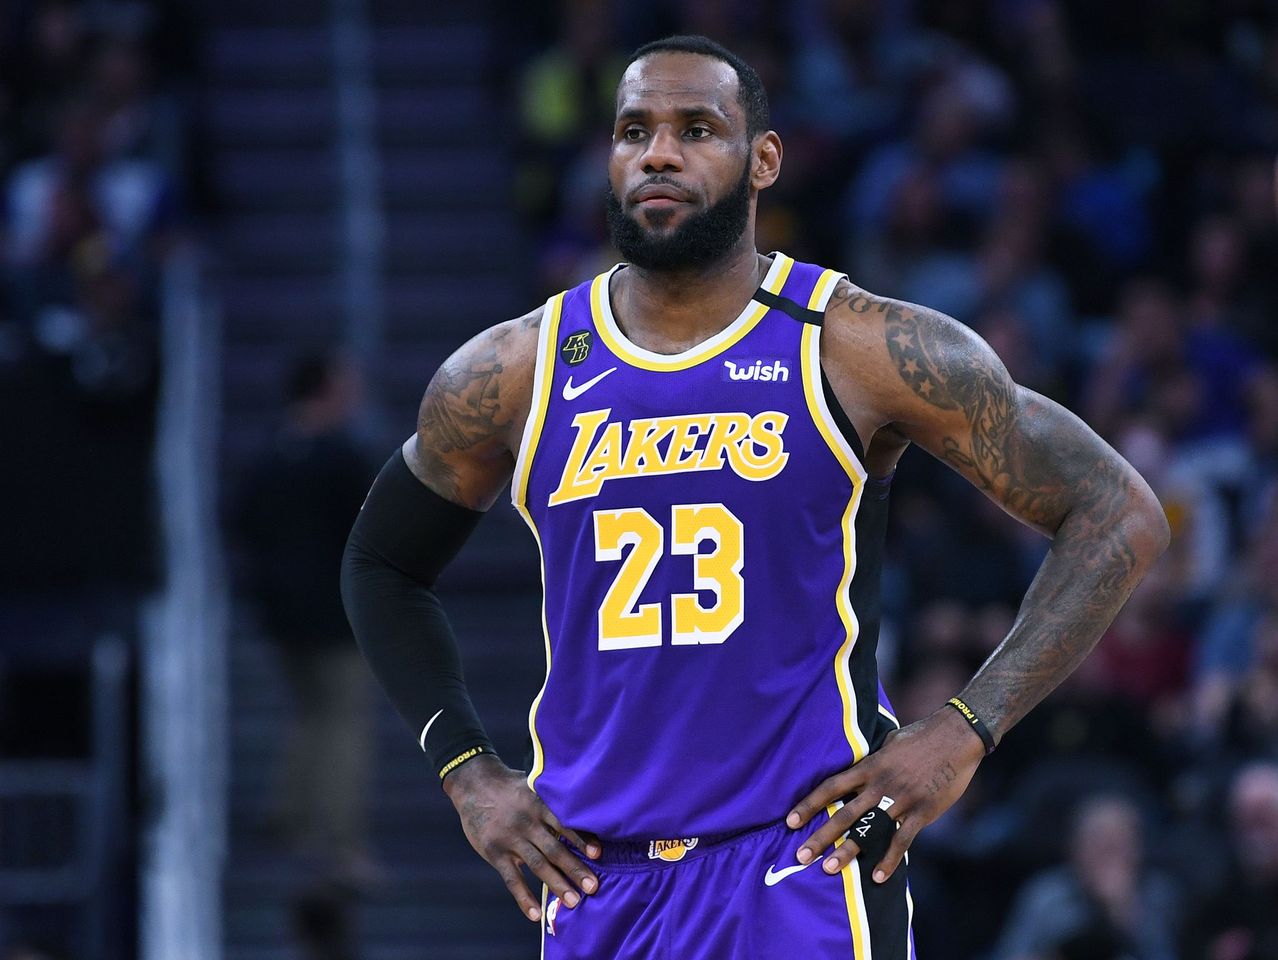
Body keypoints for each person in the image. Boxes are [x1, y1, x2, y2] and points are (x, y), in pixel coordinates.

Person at [341, 35, 1168, 958]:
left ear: (763, 159)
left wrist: (965, 730)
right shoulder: (514, 369)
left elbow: (1115, 512)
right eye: (633, 131)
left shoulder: (855, 347)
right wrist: (466, 771)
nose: (659, 153)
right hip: (596, 882)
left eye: (698, 129)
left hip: (797, 869)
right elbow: (380, 564)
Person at [236, 350, 378, 889]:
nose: (353, 395)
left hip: (282, 616)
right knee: (342, 723)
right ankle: (340, 846)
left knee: (310, 712)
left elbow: (242, 524)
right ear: (323, 389)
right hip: (335, 614)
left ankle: (289, 814)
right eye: (345, 385)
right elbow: (373, 531)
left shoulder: (269, 456)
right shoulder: (341, 458)